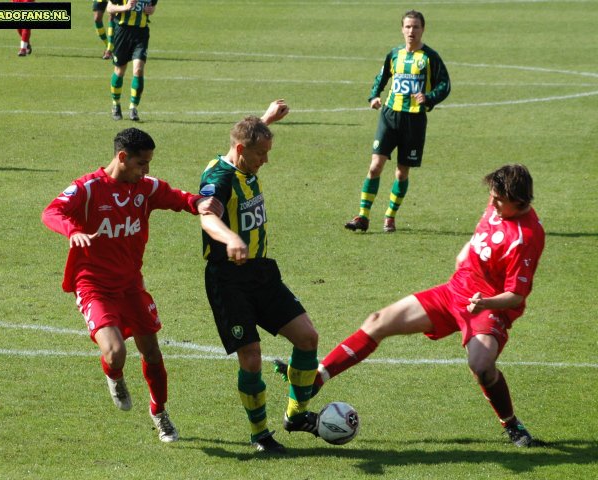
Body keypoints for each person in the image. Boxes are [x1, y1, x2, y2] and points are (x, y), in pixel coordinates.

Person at [279, 164, 545, 447]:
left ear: (519, 201)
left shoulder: (526, 237)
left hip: (487, 306)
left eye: (498, 200)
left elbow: (516, 296)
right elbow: (485, 232)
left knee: (481, 366)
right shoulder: (497, 206)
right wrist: (466, 249)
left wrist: (485, 303)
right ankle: (317, 379)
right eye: (491, 196)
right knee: (378, 321)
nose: (491, 203)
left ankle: (512, 425)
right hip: (454, 291)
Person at [41, 128, 222, 443]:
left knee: (151, 351)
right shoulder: (87, 188)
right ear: (122, 157)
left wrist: (198, 203)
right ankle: (115, 376)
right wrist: (72, 231)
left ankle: (160, 412)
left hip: (131, 286)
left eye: (149, 163)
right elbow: (51, 211)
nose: (147, 170)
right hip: (93, 285)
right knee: (115, 352)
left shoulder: (145, 188)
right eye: (141, 163)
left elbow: (176, 197)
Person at [199, 100, 321, 453]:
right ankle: (261, 435)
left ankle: (296, 416)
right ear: (240, 150)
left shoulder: (242, 158)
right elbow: (206, 215)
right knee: (250, 356)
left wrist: (265, 121)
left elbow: (246, 144)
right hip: (228, 278)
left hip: (262, 272)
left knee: (307, 338)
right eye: (261, 154)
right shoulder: (218, 178)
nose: (265, 160)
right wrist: (231, 237)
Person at [345, 10, 451, 233]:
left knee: (402, 173)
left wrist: (429, 97)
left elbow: (445, 84)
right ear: (402, 29)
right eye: (408, 27)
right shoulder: (394, 54)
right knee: (375, 166)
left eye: (416, 27)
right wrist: (374, 95)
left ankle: (390, 217)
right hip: (390, 115)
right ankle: (363, 216)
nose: (412, 31)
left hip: (414, 120)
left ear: (423, 29)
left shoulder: (430, 57)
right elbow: (382, 76)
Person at [106, 0, 156, 121]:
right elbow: (109, 8)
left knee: (138, 70)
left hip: (141, 34)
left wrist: (151, 10)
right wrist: (125, 7)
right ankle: (116, 104)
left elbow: (152, 7)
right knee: (119, 71)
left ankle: (133, 107)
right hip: (123, 32)